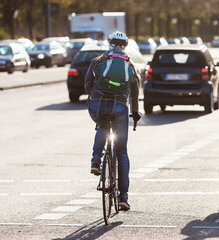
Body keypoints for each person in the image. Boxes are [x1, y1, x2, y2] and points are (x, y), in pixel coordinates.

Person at [84, 31, 141, 211]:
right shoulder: (129, 64)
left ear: (109, 44)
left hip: (98, 104)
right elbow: (135, 91)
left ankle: (95, 160)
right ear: (125, 46)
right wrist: (136, 112)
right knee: (122, 152)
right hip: (120, 108)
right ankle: (123, 197)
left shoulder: (98, 61)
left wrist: (93, 97)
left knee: (102, 125)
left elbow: (87, 84)